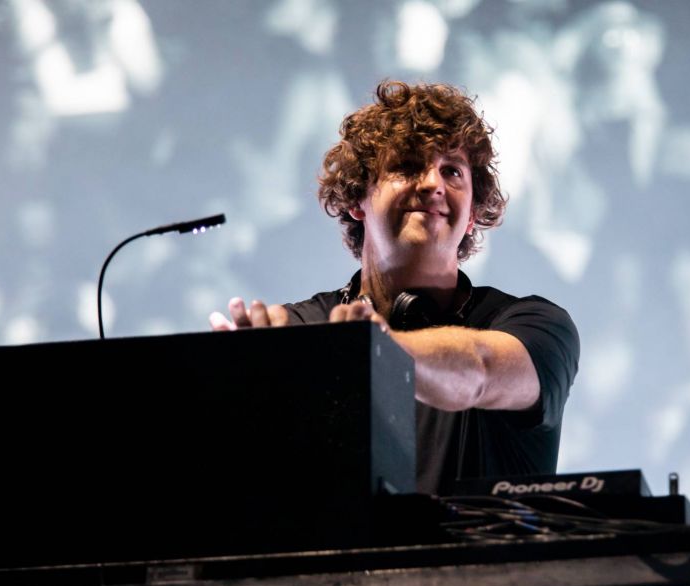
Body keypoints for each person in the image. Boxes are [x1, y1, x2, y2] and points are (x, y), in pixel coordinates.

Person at [210, 81, 579, 494]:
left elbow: (480, 370)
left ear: (473, 215)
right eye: (407, 165)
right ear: (356, 198)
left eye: (452, 171)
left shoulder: (534, 325)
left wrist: (370, 348)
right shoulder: (307, 326)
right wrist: (245, 368)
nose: (433, 184)